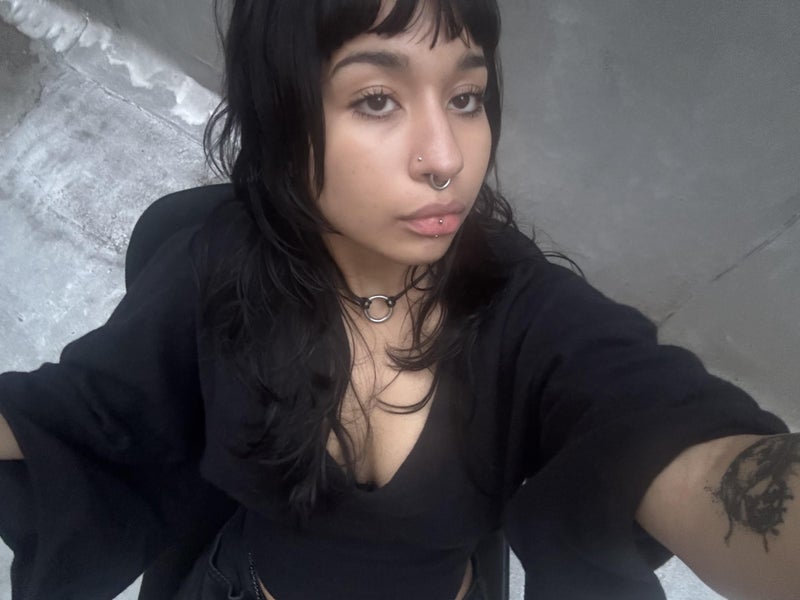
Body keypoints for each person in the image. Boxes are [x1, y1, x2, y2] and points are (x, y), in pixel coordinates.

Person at [0, 0, 798, 599]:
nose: (446, 158)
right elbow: (84, 414)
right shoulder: (215, 268)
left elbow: (692, 451)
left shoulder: (527, 315)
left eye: (466, 97)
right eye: (377, 98)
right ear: (282, 112)